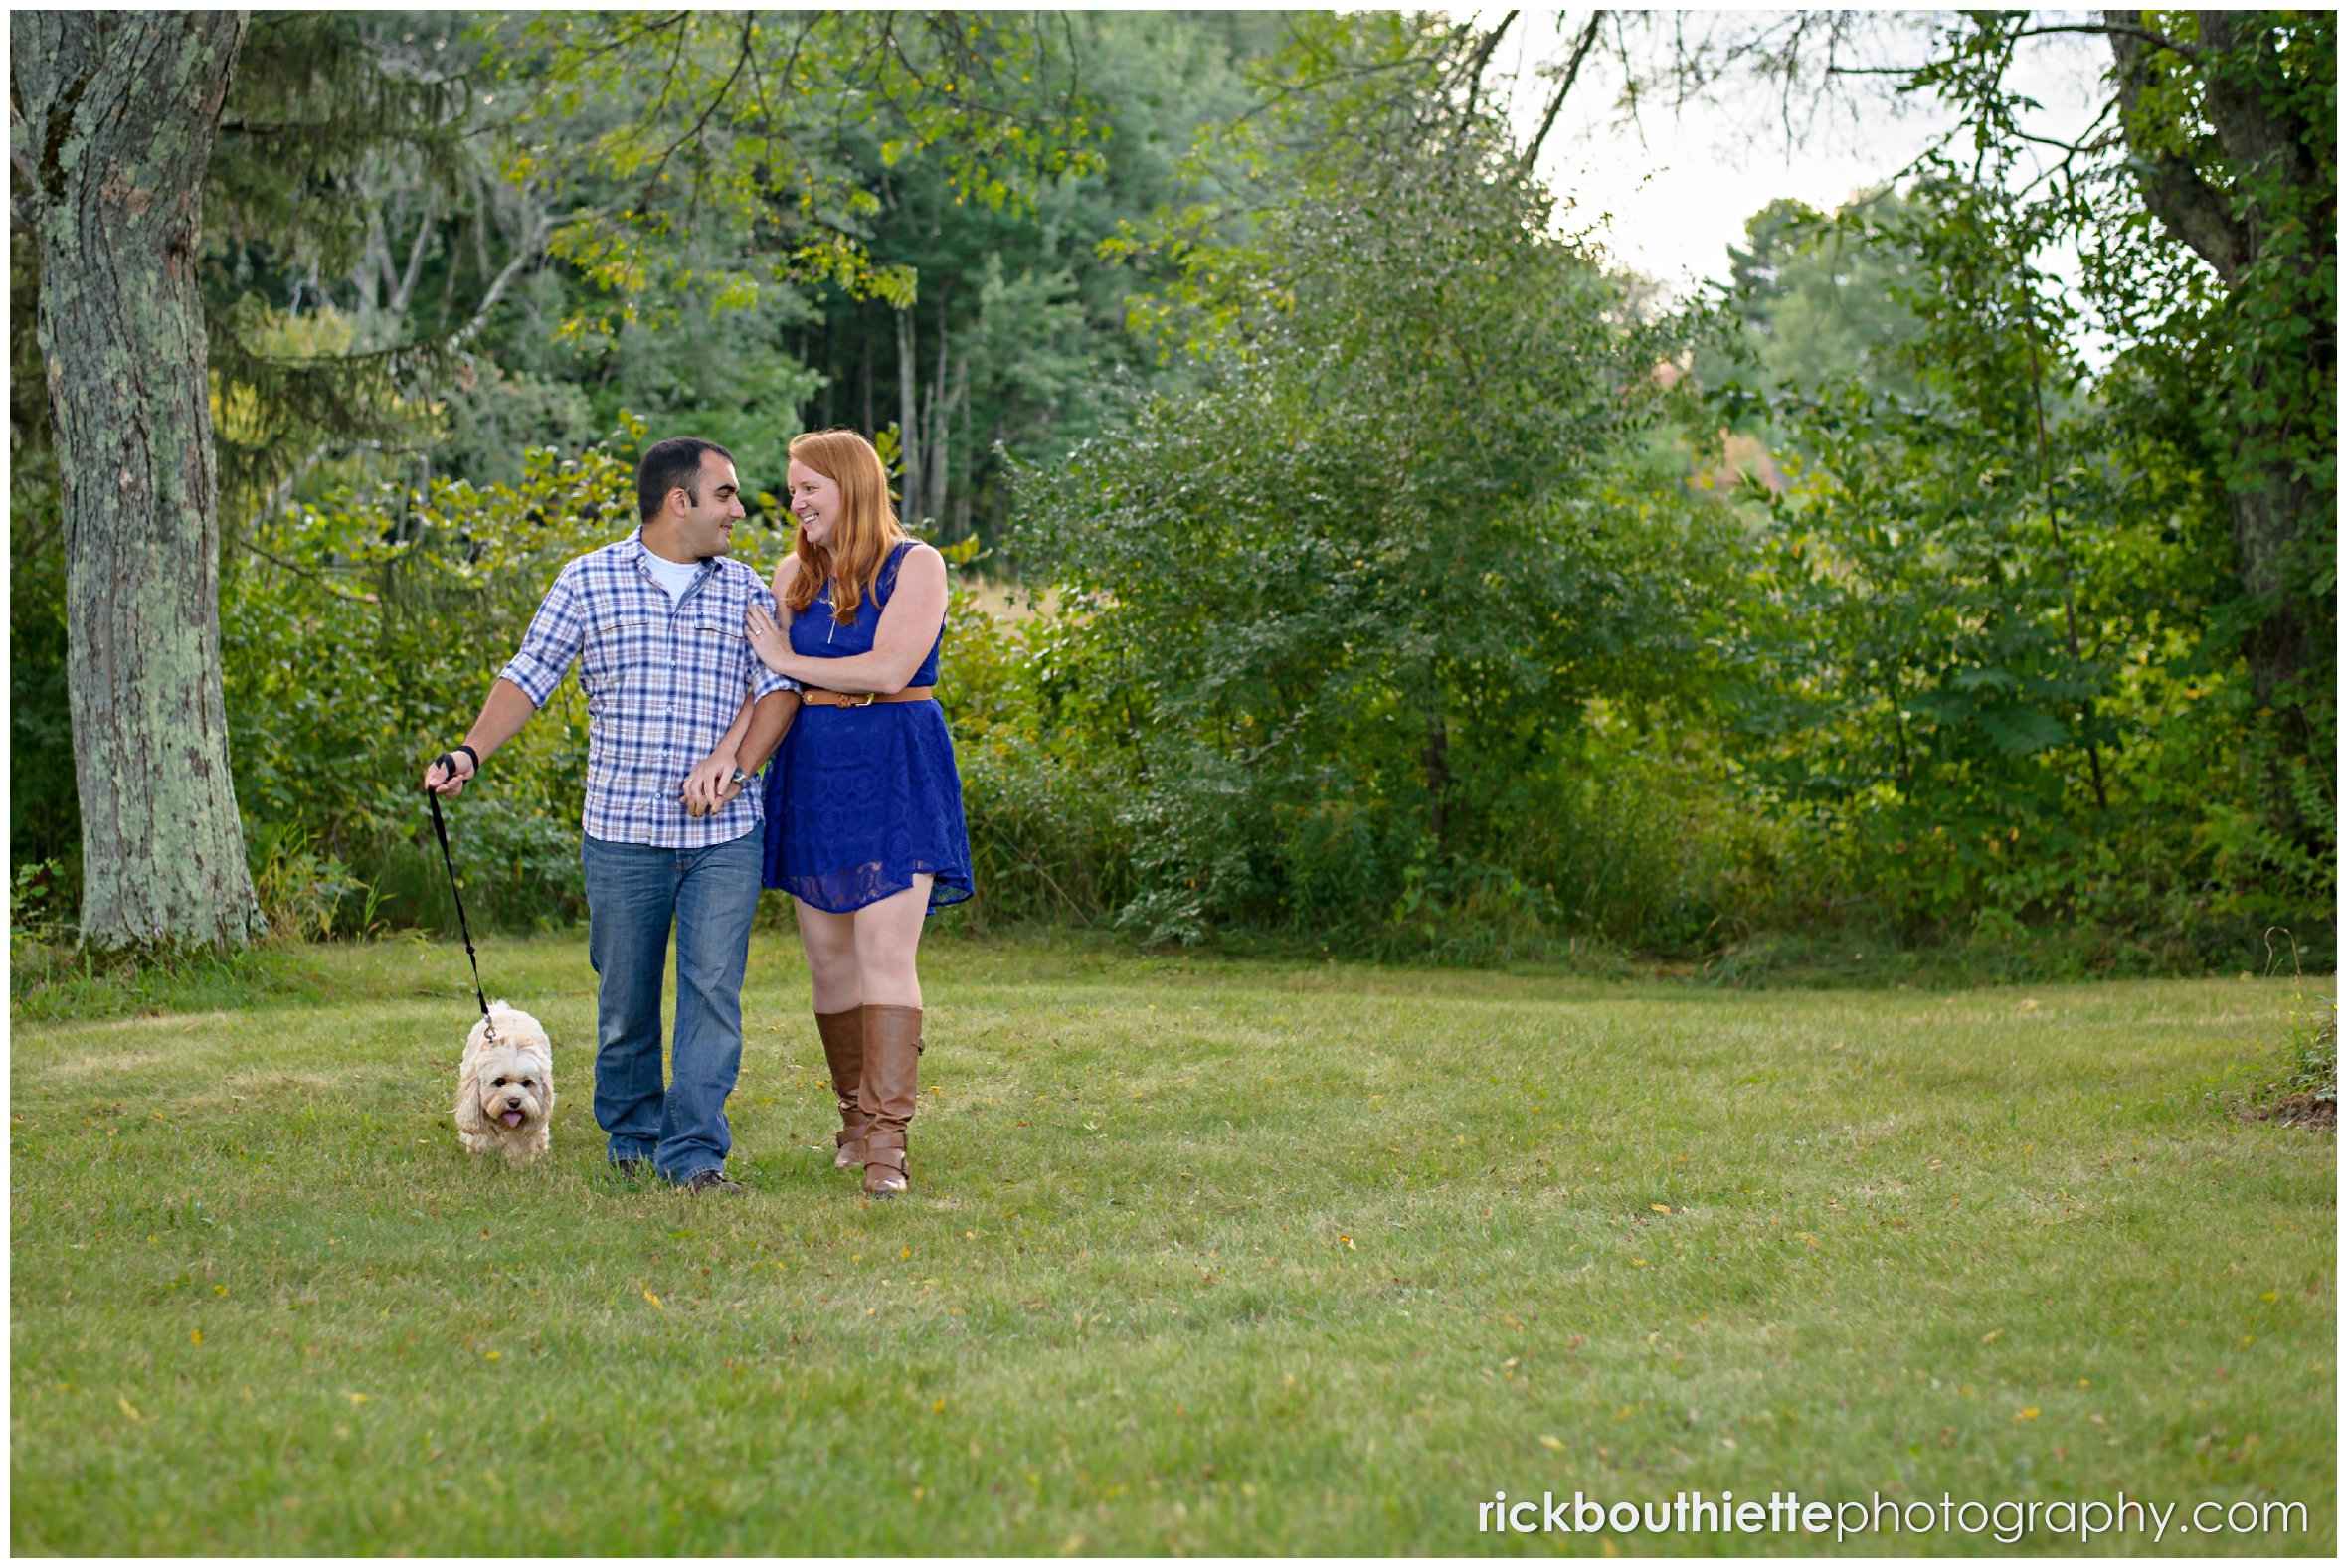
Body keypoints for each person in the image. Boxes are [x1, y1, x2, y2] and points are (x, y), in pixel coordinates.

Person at [424, 437, 801, 1193]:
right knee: (625, 1002)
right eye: (725, 494)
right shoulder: (587, 580)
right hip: (623, 835)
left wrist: (736, 764)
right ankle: (631, 1142)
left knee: (712, 997)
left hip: (724, 837)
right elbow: (529, 676)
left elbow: (781, 688)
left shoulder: (746, 590)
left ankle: (694, 1156)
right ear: (678, 502)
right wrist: (469, 752)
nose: (740, 509)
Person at [699, 428, 972, 1199]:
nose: (795, 502)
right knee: (827, 961)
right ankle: (853, 1119)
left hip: (894, 763)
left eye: (807, 487)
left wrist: (788, 658)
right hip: (814, 765)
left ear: (850, 484)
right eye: (792, 488)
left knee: (887, 954)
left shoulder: (916, 564)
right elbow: (768, 684)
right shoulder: (794, 571)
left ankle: (889, 1142)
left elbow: (889, 667)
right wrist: (732, 751)